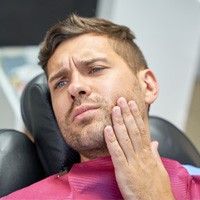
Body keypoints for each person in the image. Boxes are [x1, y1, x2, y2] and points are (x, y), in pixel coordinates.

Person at [1, 14, 200, 200]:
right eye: (60, 83)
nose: (75, 87)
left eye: (95, 69)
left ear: (147, 85)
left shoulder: (193, 178)